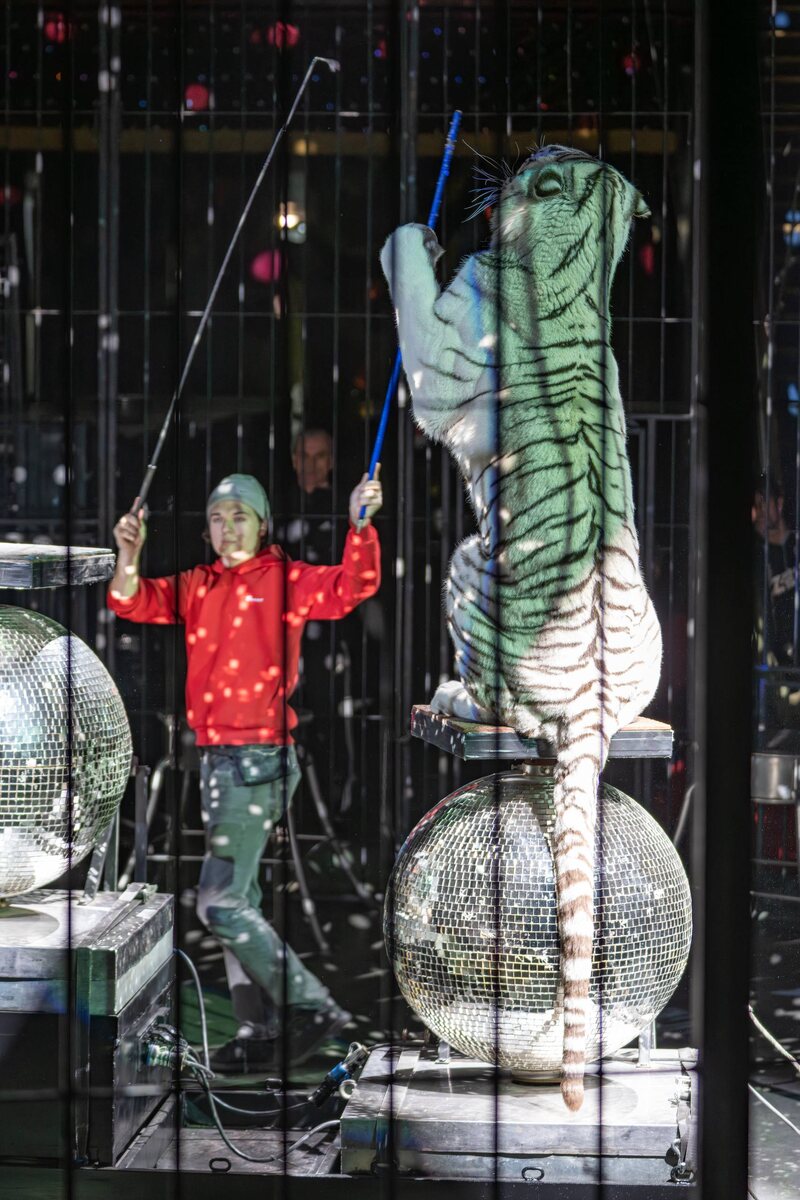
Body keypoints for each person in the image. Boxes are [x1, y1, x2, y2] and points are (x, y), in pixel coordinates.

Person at [109, 470, 382, 1073]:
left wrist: (359, 526)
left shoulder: (285, 579)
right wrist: (129, 553)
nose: (227, 528)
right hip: (218, 760)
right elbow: (129, 600)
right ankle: (258, 1029)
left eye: (240, 517)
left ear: (262, 526)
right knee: (239, 899)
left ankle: (312, 1005)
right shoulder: (198, 583)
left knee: (219, 902)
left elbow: (352, 586)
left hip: (257, 760)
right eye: (217, 518)